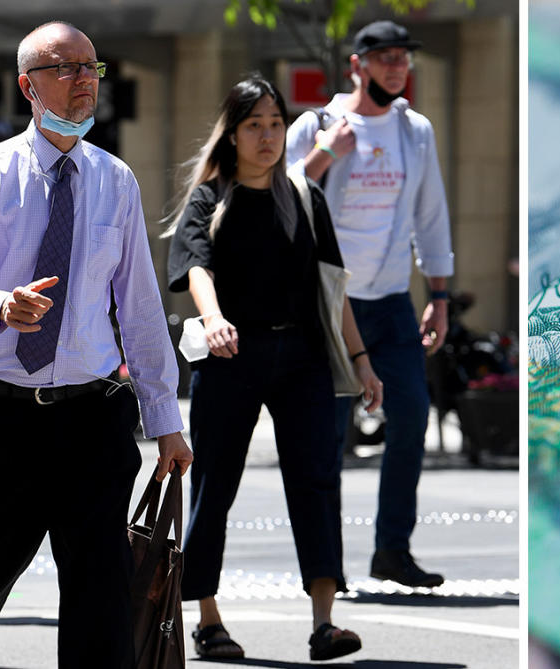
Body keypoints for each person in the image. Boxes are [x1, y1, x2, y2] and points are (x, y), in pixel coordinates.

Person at [0, 21, 192, 669]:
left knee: (100, 586)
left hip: (92, 416)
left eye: (90, 67)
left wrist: (166, 420)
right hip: (0, 416)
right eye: (65, 68)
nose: (84, 80)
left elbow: (138, 309)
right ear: (28, 86)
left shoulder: (115, 179)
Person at [166, 75, 383, 662]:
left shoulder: (304, 197)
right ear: (232, 134)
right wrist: (212, 319)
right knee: (215, 485)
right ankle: (207, 618)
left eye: (275, 124)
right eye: (253, 125)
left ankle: (323, 623)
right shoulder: (210, 198)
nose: (266, 136)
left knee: (316, 482)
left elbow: (332, 289)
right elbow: (196, 269)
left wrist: (361, 361)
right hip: (232, 356)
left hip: (304, 358)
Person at [286, 19, 453, 588]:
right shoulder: (317, 125)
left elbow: (431, 214)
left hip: (390, 301)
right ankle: (327, 567)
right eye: (383, 58)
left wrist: (440, 293)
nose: (395, 67)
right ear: (357, 66)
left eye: (402, 58)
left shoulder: (416, 131)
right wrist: (326, 154)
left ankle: (392, 551)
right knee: (328, 438)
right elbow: (280, 201)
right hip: (332, 305)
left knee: (411, 417)